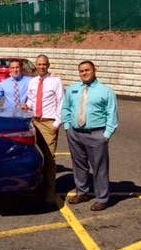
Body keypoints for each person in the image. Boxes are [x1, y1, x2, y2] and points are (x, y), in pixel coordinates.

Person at [62, 60, 118, 211]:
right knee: (78, 165)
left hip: (96, 134)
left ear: (94, 71)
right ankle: (82, 192)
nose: (84, 73)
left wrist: (106, 135)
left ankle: (102, 198)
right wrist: (67, 127)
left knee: (99, 167)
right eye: (81, 71)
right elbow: (66, 108)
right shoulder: (73, 89)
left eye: (87, 70)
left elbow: (111, 115)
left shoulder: (106, 91)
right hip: (75, 133)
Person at [24, 54, 64, 204]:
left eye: (44, 64)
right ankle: (36, 186)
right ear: (36, 65)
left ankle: (50, 191)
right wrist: (27, 106)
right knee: (33, 155)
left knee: (49, 158)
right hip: (34, 122)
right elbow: (30, 99)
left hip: (48, 123)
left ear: (48, 65)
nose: (42, 67)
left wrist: (56, 123)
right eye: (39, 64)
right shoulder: (32, 82)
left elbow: (61, 102)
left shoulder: (56, 81)